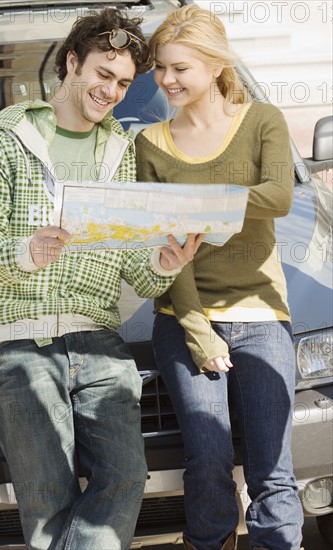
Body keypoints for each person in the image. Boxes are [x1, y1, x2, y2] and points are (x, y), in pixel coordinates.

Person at [0, 8, 203, 550]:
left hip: (98, 340)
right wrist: (28, 250)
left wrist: (167, 262)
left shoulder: (121, 154)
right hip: (18, 341)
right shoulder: (6, 138)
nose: (111, 91)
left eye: (121, 83)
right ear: (72, 63)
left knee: (124, 477)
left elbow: (136, 267)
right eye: (103, 74)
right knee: (47, 501)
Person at [135, 5, 304, 550]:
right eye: (161, 67)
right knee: (206, 460)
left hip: (260, 314)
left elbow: (278, 196)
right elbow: (165, 248)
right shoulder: (151, 144)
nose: (166, 80)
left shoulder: (262, 121)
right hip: (185, 318)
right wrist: (197, 329)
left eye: (179, 68)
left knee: (272, 467)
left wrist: (196, 204)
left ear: (214, 65)